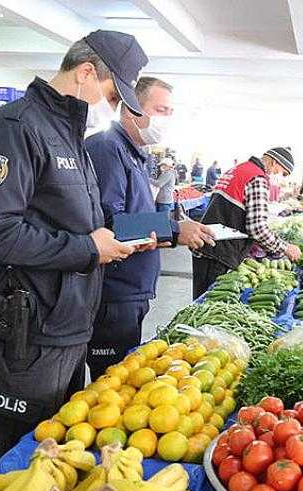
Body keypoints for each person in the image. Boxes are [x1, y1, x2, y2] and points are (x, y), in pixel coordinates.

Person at [0, 30, 151, 466]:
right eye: (110, 92)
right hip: (25, 336)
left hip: (68, 327)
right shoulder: (13, 130)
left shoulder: (69, 135)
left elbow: (81, 220)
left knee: (59, 459)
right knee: (21, 465)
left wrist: (149, 232)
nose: (111, 105)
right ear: (86, 72)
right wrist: (88, 249)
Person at [85, 76, 214, 373]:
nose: (166, 119)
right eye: (161, 110)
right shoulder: (107, 149)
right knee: (111, 380)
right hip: (112, 291)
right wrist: (173, 228)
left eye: (170, 112)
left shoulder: (135, 153)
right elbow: (110, 224)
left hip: (133, 287)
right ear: (131, 109)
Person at [193, 148, 302, 297]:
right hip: (218, 250)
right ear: (275, 162)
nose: (280, 177)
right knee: (208, 301)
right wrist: (285, 248)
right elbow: (257, 228)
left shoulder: (240, 169)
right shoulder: (258, 178)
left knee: (200, 298)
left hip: (207, 243)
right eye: (282, 172)